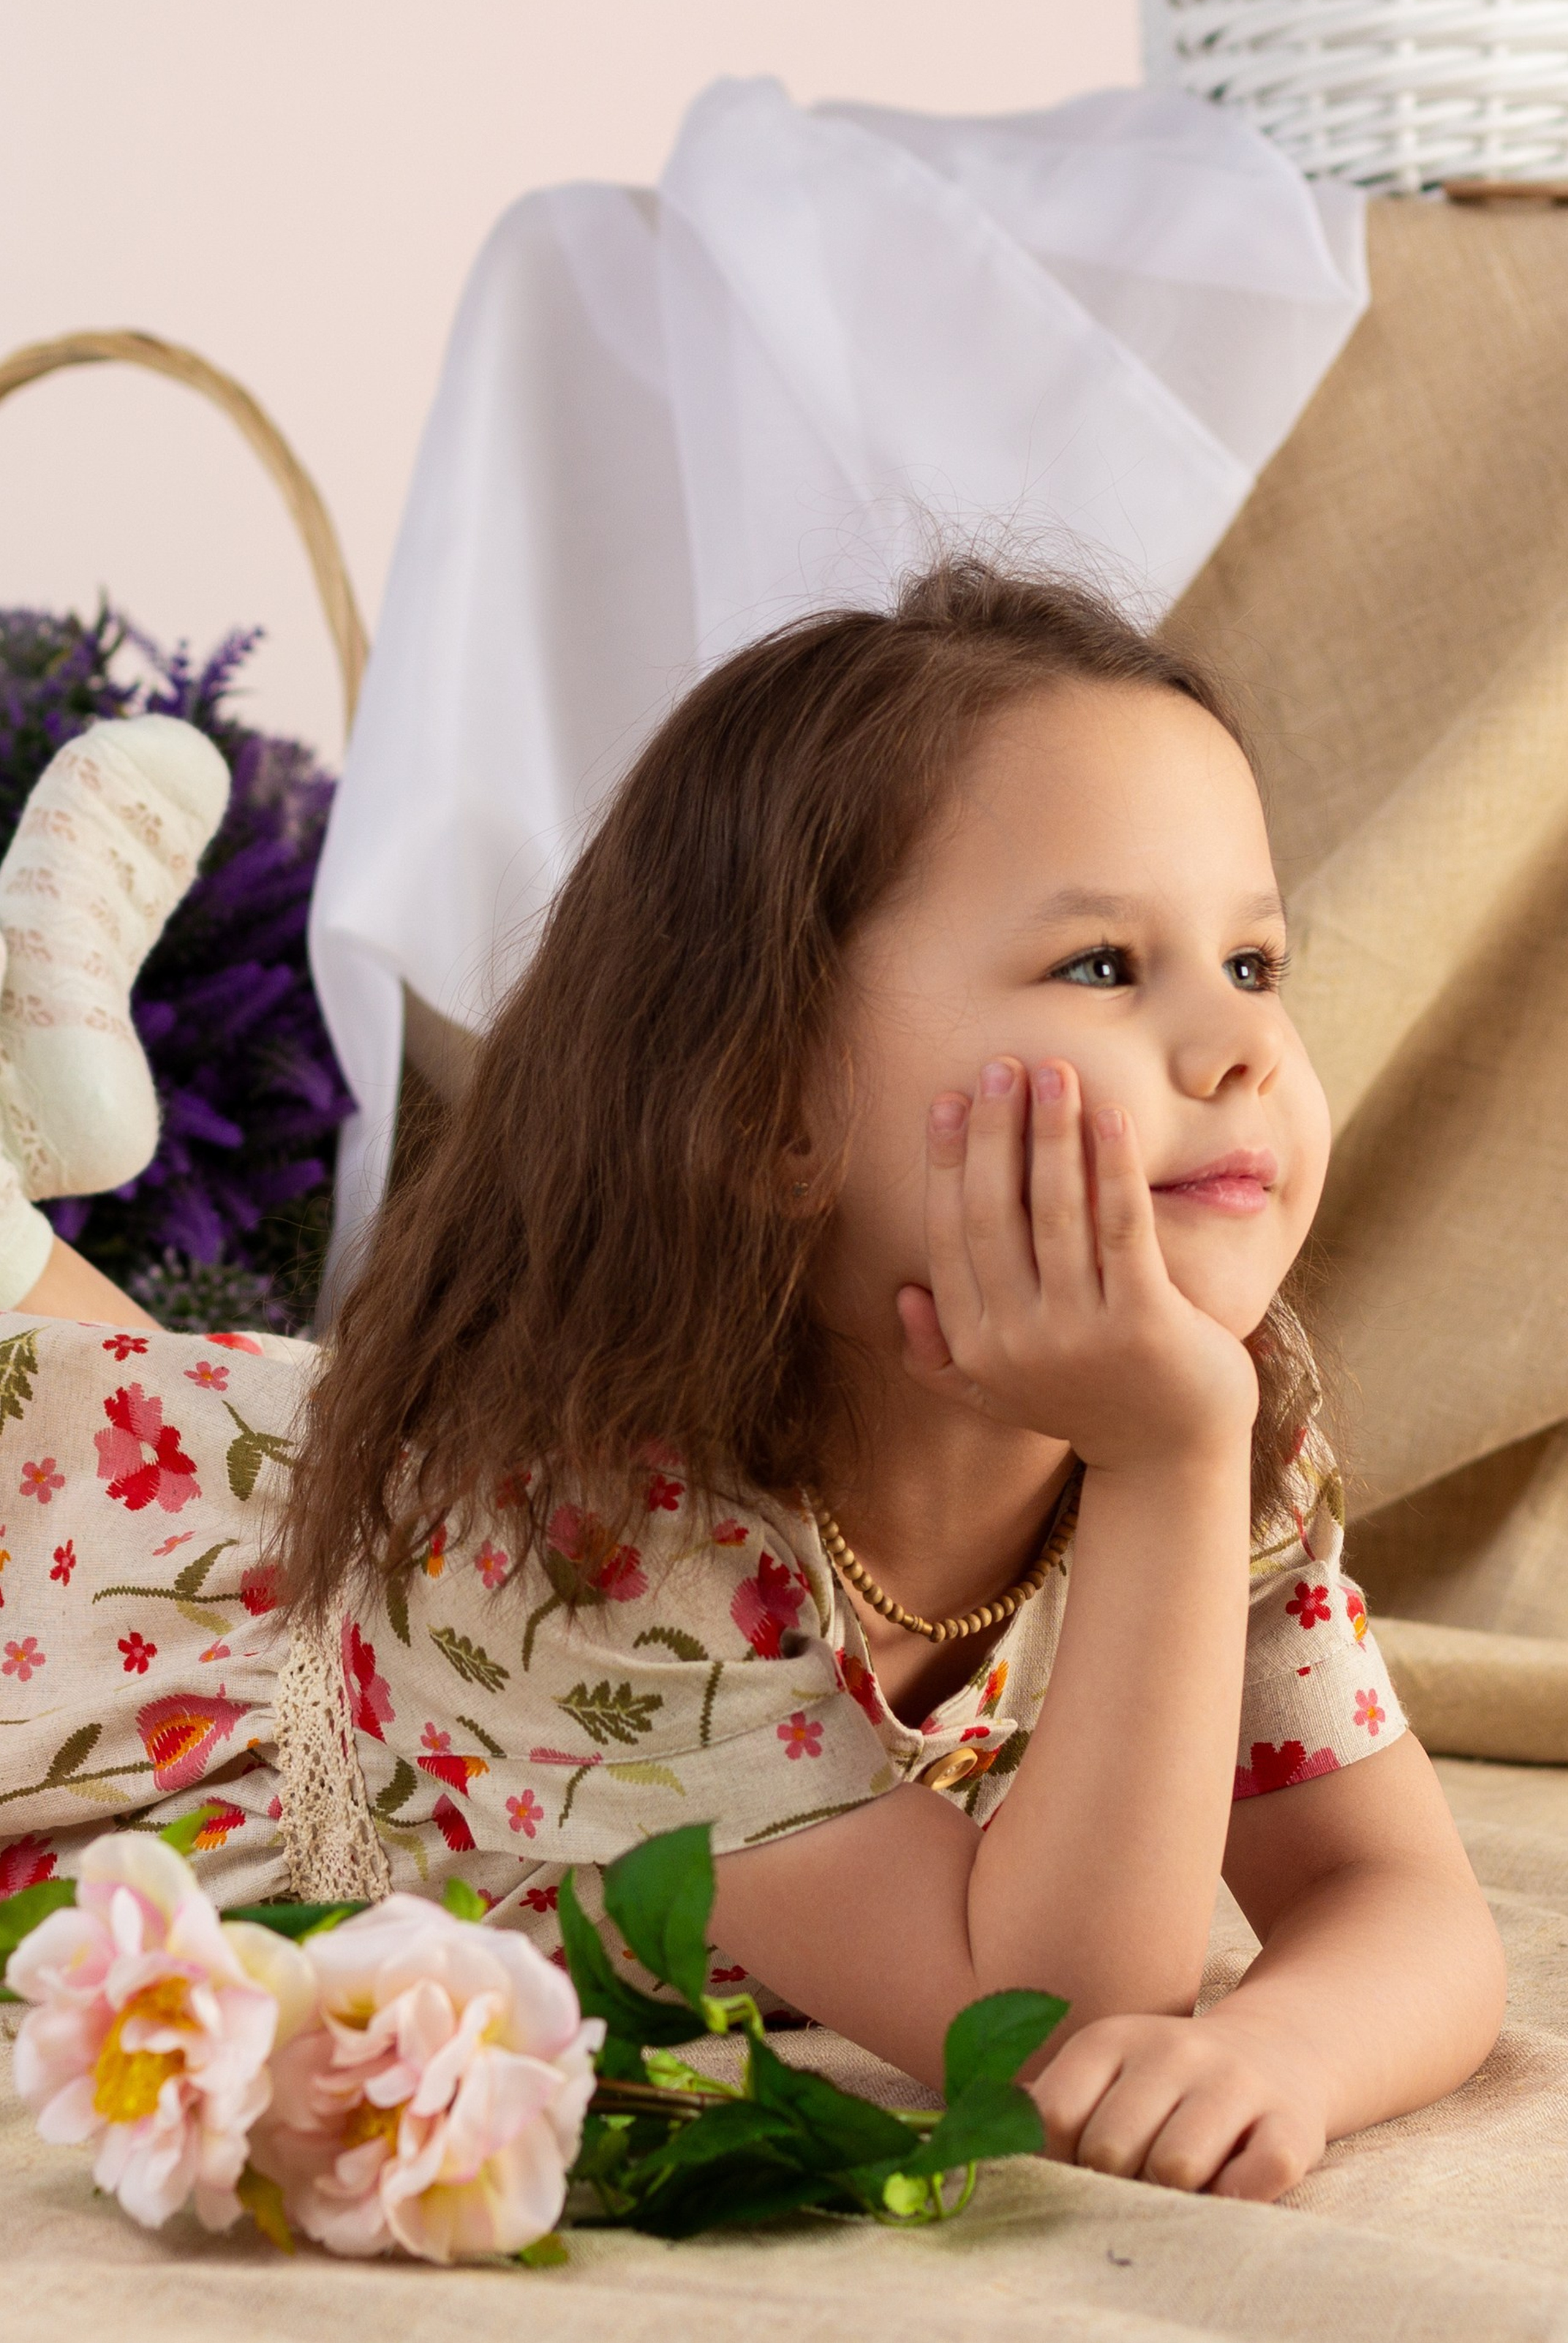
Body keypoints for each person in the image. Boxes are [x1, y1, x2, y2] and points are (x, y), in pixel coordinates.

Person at [0, 562, 1504, 2203]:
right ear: (777, 1108)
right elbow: (1043, 2024)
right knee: (78, 1444)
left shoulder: (1222, 1413)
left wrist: (1282, 2046)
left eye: (1255, 963)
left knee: (203, 1419)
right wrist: (1168, 1462)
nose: (1240, 1051)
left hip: (345, 1547)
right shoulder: (580, 1538)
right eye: (1100, 967)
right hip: (219, 1696)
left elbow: (1399, 1898)